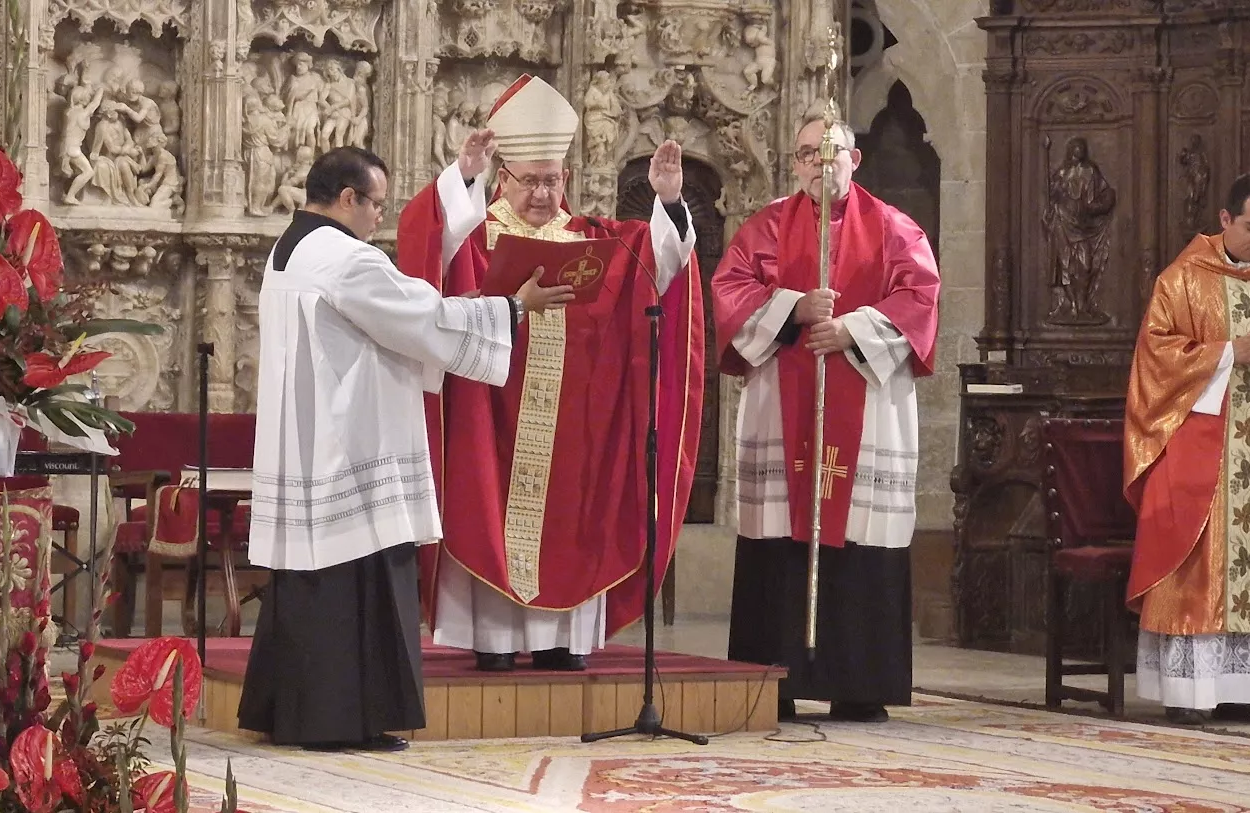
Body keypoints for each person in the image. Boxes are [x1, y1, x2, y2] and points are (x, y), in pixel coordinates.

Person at [237, 146, 572, 751]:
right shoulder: (344, 259)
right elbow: (422, 316)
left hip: (310, 440)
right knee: (354, 583)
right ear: (347, 199)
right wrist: (513, 310)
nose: (378, 220)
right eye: (375, 206)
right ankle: (341, 722)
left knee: (309, 584)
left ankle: (293, 713)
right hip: (352, 446)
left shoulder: (292, 250)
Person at [397, 74, 706, 672]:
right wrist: (463, 177)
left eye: (552, 179)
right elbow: (428, 255)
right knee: (489, 510)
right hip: (491, 419)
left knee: (572, 521)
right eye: (529, 181)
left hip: (575, 424)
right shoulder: (477, 237)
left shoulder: (595, 239)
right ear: (503, 177)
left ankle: (563, 640)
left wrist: (667, 202)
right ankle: (493, 640)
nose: (542, 193)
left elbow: (663, 268)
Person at [711, 116, 940, 722]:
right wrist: (791, 311)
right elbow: (729, 291)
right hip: (782, 409)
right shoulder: (764, 228)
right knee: (783, 536)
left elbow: (920, 298)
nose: (820, 162)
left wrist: (850, 329)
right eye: (809, 152)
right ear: (795, 163)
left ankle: (859, 684)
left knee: (860, 536)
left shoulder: (895, 229)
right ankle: (777, 681)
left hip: (867, 406)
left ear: (855, 159)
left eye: (831, 152)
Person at [1125, 171, 1250, 726]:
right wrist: (1225, 353)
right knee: (1197, 561)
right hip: (1197, 451)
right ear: (1225, 220)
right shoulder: (1182, 279)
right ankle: (1191, 692)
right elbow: (1155, 355)